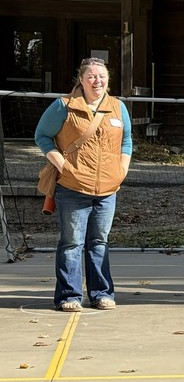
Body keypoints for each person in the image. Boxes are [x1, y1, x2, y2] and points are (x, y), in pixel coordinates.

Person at [34, 57, 132, 311]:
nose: (97, 81)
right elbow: (42, 135)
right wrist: (61, 164)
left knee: (99, 242)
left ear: (108, 79)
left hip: (108, 189)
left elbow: (127, 141)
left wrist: (122, 169)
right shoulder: (64, 106)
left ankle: (101, 294)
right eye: (92, 76)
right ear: (82, 79)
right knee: (72, 243)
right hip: (72, 187)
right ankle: (69, 296)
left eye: (102, 76)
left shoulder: (118, 108)